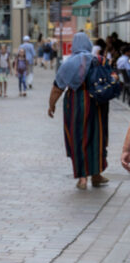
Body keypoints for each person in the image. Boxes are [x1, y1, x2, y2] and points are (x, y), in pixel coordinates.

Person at [48, 32, 111, 190]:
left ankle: (82, 178)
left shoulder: (68, 63)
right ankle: (96, 175)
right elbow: (112, 77)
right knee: (97, 137)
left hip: (75, 103)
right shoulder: (99, 60)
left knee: (78, 138)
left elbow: (58, 87)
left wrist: (52, 105)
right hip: (97, 103)